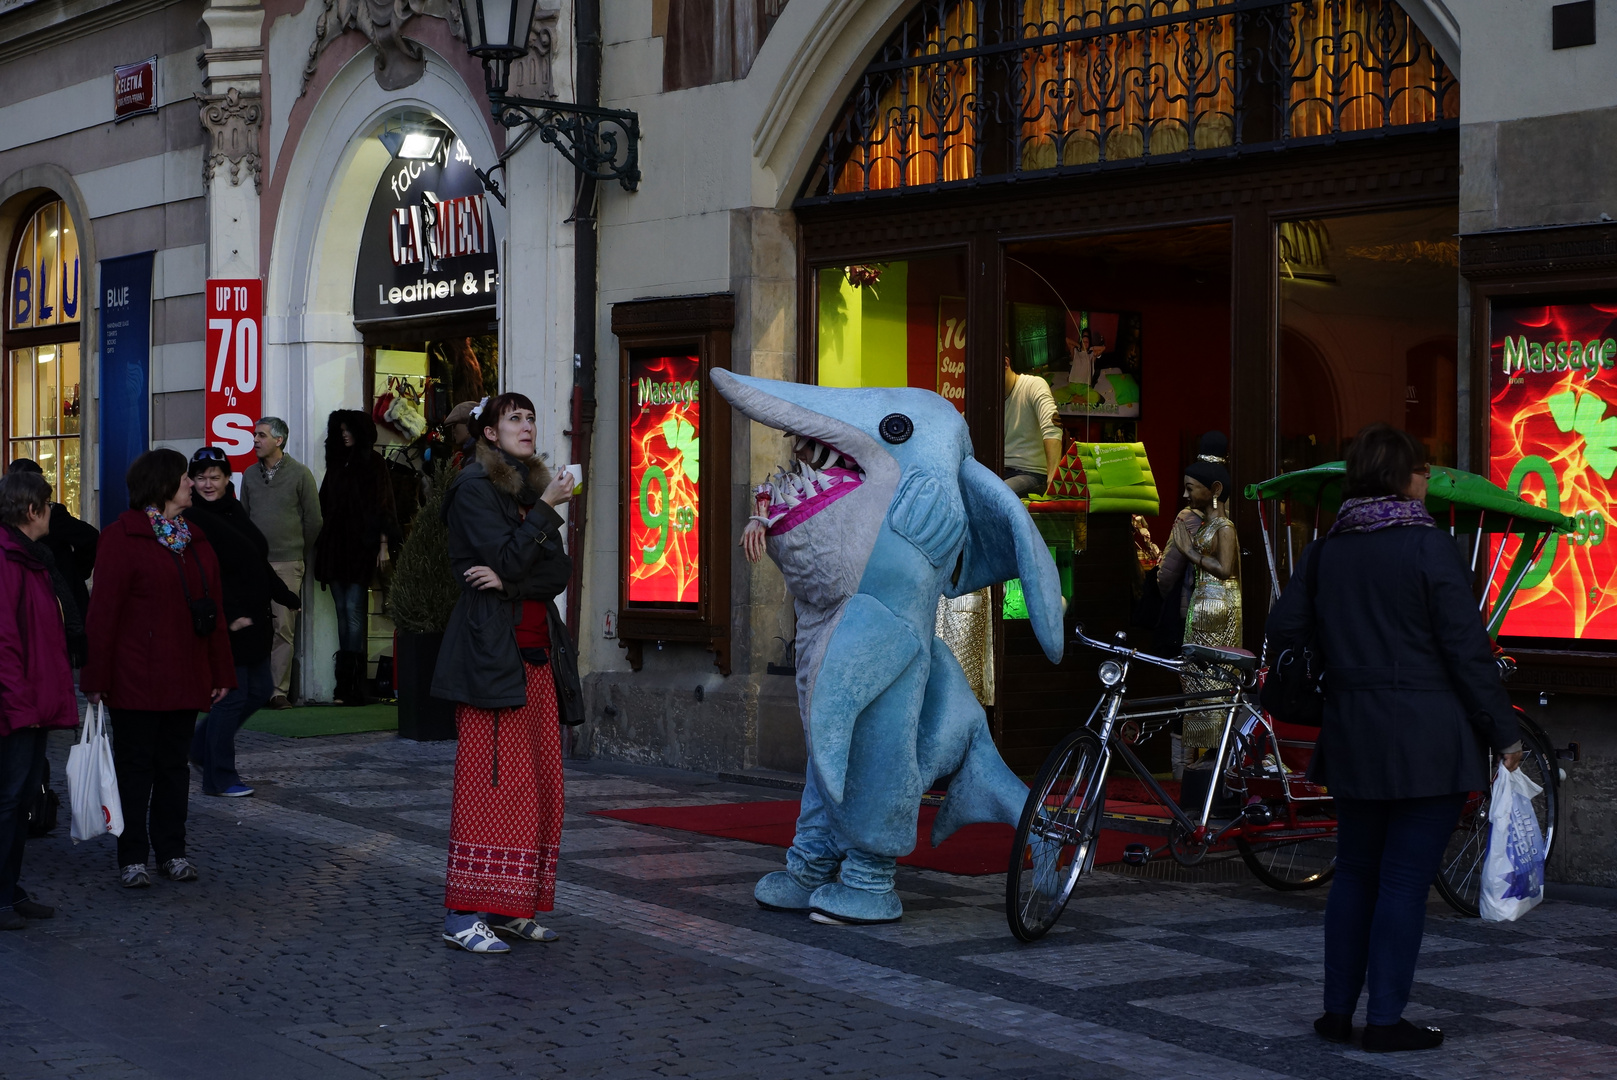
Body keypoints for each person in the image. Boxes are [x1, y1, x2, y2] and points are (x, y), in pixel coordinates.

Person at [1266, 422, 1523, 1053]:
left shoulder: (1329, 550)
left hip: (1354, 731)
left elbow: (1283, 628)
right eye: (1421, 469)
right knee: (1405, 881)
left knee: (1354, 872)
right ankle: (1383, 1020)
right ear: (1401, 480)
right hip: (1428, 740)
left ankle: (1335, 1013)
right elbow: (1467, 653)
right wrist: (1504, 732)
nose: (1429, 479)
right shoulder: (1429, 548)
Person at [430, 393, 578, 953]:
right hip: (493, 657)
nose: (526, 425)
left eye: (531, 417)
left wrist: (513, 578)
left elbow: (556, 571)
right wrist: (544, 511)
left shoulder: (528, 488)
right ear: (489, 433)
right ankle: (462, 913)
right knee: (490, 787)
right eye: (514, 418)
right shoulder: (473, 487)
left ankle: (509, 908)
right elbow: (514, 558)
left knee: (538, 787)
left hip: (538, 657)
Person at [82, 450, 235, 888]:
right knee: (136, 769)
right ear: (164, 484)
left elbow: (214, 612)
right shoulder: (121, 537)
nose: (192, 483)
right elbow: (103, 614)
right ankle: (132, 857)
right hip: (136, 678)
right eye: (185, 477)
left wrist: (222, 672)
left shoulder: (195, 539)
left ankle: (172, 852)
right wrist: (95, 679)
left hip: (185, 675)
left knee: (174, 768)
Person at [184, 448, 302, 797]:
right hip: (230, 623)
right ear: (191, 480)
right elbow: (204, 575)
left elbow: (255, 559)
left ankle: (199, 747)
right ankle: (219, 776)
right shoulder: (193, 518)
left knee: (260, 690)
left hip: (256, 621)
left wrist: (285, 595)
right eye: (201, 477)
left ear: (226, 479)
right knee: (232, 698)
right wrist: (231, 615)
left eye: (214, 476)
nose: (208, 483)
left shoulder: (232, 510)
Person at [0, 472, 78, 929]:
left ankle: (10, 888)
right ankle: (2, 896)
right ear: (32, 511)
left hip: (31, 702)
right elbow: (5, 643)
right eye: (49, 505)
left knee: (22, 797)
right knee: (9, 801)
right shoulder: (10, 561)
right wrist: (21, 705)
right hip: (17, 707)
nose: (53, 512)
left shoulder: (30, 558)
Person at [311, 411, 400, 705]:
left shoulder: (373, 463)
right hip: (336, 546)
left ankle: (352, 686)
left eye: (349, 430)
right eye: (341, 430)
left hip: (360, 546)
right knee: (343, 612)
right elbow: (324, 504)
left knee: (352, 611)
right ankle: (345, 686)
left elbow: (384, 504)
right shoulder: (338, 464)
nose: (344, 434)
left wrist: (383, 546)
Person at [239, 417, 322, 710]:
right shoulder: (249, 475)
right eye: (254, 435)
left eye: (261, 435)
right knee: (252, 626)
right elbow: (243, 519)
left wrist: (297, 548)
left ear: (279, 440)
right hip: (255, 564)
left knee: (283, 628)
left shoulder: (300, 474)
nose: (255, 440)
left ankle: (277, 691)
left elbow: (314, 520)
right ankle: (255, 687)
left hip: (287, 562)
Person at [1171, 431, 1242, 757]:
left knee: (1214, 678)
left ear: (1214, 490)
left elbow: (1226, 568)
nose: (1186, 495)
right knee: (1196, 677)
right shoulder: (1205, 524)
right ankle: (1203, 751)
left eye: (1190, 488)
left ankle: (1216, 752)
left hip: (1218, 602)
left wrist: (1190, 552)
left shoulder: (1224, 528)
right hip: (1202, 601)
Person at [6, 458, 97, 643]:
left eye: (48, 501)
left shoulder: (53, 522)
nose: (49, 507)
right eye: (45, 501)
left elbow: (90, 537)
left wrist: (75, 572)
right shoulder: (9, 555)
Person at [1001, 356, 1062, 496]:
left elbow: (1053, 426)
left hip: (1032, 473)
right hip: (998, 473)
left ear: (1005, 363)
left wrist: (1052, 479)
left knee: (995, 495)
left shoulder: (1033, 385)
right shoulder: (989, 396)